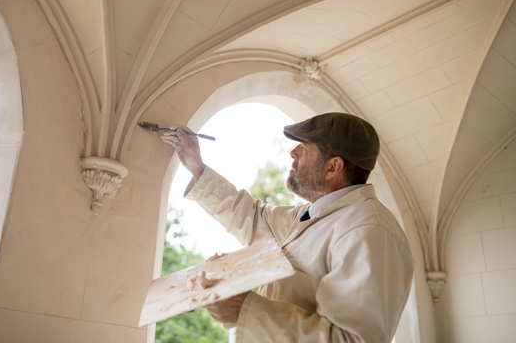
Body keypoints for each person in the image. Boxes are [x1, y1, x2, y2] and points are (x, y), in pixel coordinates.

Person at [160, 112, 414, 343]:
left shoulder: (370, 231)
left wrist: (245, 308)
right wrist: (197, 167)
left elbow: (353, 340)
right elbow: (254, 219)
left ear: (333, 167)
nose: (293, 153)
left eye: (304, 148)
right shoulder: (310, 216)